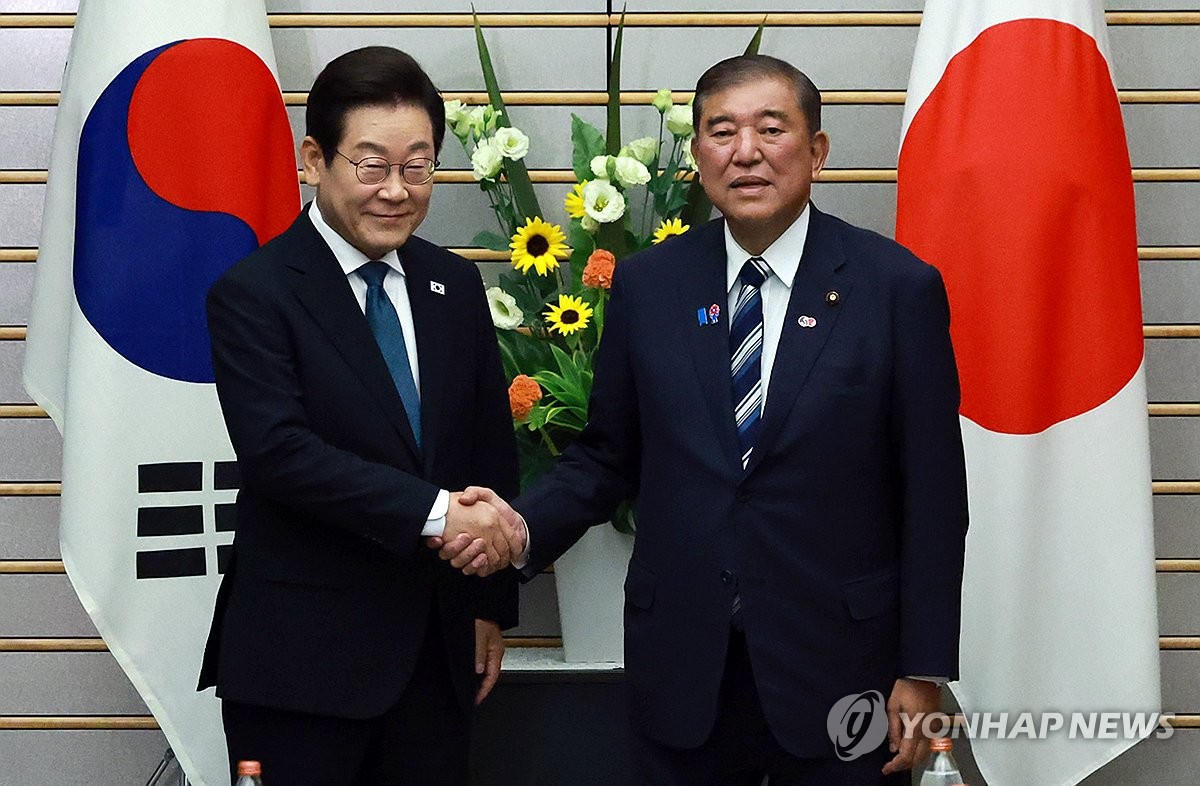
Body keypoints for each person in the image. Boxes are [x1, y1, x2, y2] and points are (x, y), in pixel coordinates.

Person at [440, 54, 968, 785]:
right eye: (722, 131)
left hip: (844, 668)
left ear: (817, 150)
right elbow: (606, 456)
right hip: (684, 663)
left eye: (771, 129)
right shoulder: (650, 284)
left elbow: (934, 493)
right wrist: (519, 529)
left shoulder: (896, 288)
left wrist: (924, 666)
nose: (745, 151)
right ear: (697, 154)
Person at [197, 46, 522, 786]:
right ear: (315, 159)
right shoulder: (254, 293)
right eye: (372, 166)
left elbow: (485, 448)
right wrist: (440, 513)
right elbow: (281, 454)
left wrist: (487, 602)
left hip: (437, 656)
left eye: (419, 166)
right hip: (300, 669)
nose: (396, 191)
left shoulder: (454, 284)